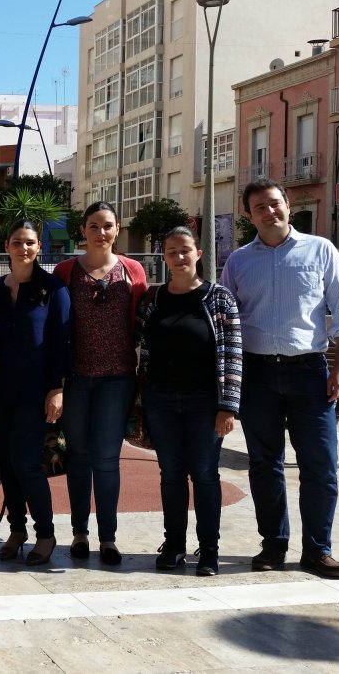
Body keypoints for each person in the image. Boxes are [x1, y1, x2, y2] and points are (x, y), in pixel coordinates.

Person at [220, 178, 339, 579]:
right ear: (249, 214)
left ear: (287, 205)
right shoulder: (239, 262)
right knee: (265, 464)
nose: (270, 211)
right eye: (260, 206)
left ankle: (318, 550)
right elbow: (228, 324)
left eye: (275, 203)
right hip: (258, 374)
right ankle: (274, 545)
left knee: (321, 465)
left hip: (309, 374)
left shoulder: (321, 251)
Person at [136, 226, 242, 576]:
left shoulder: (219, 298)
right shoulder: (152, 300)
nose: (179, 257)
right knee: (171, 475)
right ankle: (175, 545)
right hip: (161, 400)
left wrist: (228, 405)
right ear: (163, 257)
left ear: (198, 254)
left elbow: (232, 354)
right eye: (171, 251)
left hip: (204, 402)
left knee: (206, 475)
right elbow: (137, 345)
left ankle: (209, 550)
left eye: (185, 250)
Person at [53, 201, 147, 565]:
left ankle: (108, 538)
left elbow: (142, 320)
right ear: (83, 231)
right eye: (94, 225)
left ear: (117, 229)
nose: (101, 232)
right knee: (78, 458)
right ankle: (79, 533)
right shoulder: (65, 271)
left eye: (107, 225)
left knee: (107, 459)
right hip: (76, 378)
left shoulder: (132, 271)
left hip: (117, 380)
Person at [0, 219, 71, 566]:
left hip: (36, 393)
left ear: (39, 247)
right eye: (17, 242)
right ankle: (17, 529)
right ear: (7, 245)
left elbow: (63, 343)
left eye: (30, 242)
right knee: (7, 463)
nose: (24, 248)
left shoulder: (54, 288)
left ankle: (46, 534)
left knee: (25, 463)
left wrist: (57, 389)